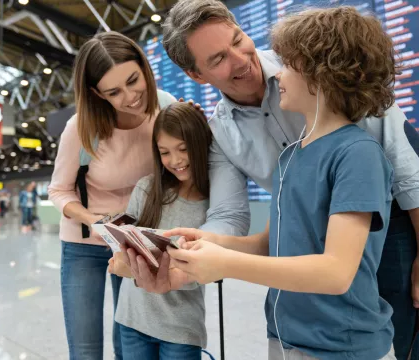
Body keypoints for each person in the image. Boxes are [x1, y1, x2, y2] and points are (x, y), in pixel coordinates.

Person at [124, 2, 419, 358]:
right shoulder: (278, 152)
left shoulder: (316, 67)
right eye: (217, 59)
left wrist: (224, 261)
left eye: (238, 40)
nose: (246, 62)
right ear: (196, 75)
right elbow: (261, 230)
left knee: (402, 335)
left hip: (384, 236)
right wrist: (206, 244)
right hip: (292, 323)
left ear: (323, 76)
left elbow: (404, 174)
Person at [47, 31, 177, 360]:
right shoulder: (82, 127)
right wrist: (93, 220)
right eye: (114, 92)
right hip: (84, 246)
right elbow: (59, 190)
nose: (131, 97)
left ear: (145, 67)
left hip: (139, 244)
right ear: (96, 93)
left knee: (130, 347)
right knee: (86, 349)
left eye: (134, 80)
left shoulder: (166, 108)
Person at [108, 101, 211, 360]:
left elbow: (207, 269)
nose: (175, 160)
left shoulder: (212, 204)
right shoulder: (146, 188)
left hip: (180, 327)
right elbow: (121, 252)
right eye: (164, 152)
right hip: (132, 319)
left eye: (183, 149)